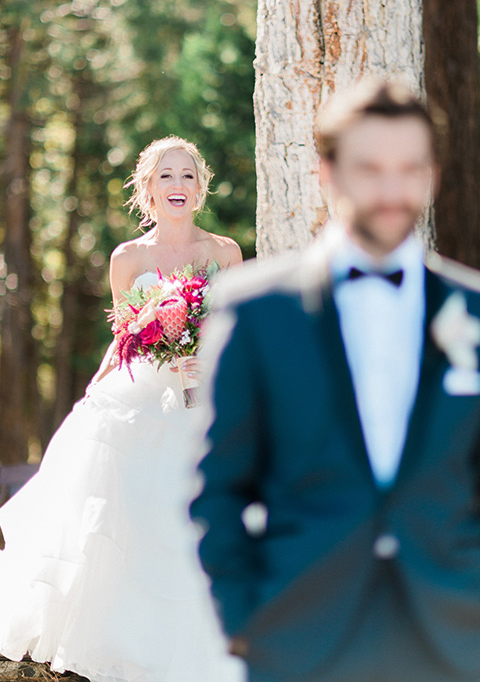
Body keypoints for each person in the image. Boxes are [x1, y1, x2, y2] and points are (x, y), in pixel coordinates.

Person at [191, 80, 480, 682]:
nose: (392, 191)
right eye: (370, 168)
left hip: (452, 641)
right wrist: (246, 624)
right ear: (328, 173)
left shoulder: (472, 312)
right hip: (298, 638)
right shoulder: (255, 311)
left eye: (410, 169)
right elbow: (217, 488)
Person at [0, 136, 246, 682]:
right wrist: (99, 386)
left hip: (203, 397)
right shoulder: (127, 258)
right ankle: (122, 641)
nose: (177, 185)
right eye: (166, 176)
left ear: (200, 187)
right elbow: (124, 334)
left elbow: (236, 333)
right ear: (148, 189)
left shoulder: (225, 253)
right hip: (140, 395)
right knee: (127, 514)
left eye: (186, 175)